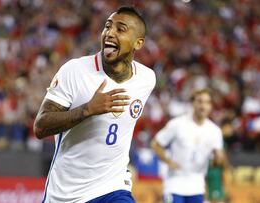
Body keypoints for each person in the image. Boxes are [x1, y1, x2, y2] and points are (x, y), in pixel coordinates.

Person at [34, 6, 156, 203]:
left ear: (138, 43)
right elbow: (40, 126)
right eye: (108, 26)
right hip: (67, 194)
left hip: (113, 186)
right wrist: (87, 110)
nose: (110, 33)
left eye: (120, 29)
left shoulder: (146, 78)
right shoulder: (75, 71)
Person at [151, 89, 225, 203]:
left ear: (211, 106)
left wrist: (218, 159)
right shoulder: (177, 124)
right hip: (174, 183)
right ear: (192, 103)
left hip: (197, 186)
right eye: (199, 101)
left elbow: (217, 159)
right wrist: (168, 161)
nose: (203, 106)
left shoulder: (214, 131)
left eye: (207, 102)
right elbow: (156, 144)